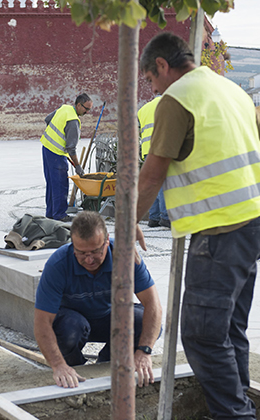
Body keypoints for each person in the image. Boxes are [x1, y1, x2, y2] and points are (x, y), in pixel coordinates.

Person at [136, 32, 260, 420]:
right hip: (258, 223)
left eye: (150, 80)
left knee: (202, 335)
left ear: (162, 66)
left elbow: (152, 174)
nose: (152, 90)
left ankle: (235, 415)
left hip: (222, 230)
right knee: (229, 329)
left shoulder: (176, 99)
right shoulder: (232, 90)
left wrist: (129, 220)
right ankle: (241, 402)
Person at [34, 211, 162, 389]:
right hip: (73, 323)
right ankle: (74, 366)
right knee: (70, 329)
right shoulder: (58, 265)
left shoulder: (125, 257)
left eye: (96, 251)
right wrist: (58, 365)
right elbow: (42, 322)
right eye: (81, 252)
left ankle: (107, 362)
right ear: (72, 245)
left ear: (107, 240)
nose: (89, 259)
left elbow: (153, 305)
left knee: (140, 322)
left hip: (109, 318)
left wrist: (145, 351)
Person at [40, 94, 92, 222]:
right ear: (78, 105)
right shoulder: (73, 121)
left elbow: (48, 119)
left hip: (46, 148)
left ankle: (51, 213)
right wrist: (78, 166)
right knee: (60, 184)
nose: (87, 112)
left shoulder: (64, 108)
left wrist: (55, 136)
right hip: (56, 154)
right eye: (86, 108)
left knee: (51, 183)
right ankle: (59, 214)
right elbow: (71, 148)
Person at [138, 94, 169, 228]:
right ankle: (165, 217)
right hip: (161, 149)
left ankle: (153, 218)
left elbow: (138, 131)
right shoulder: (168, 106)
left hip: (146, 151)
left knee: (152, 184)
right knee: (163, 184)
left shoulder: (143, 109)